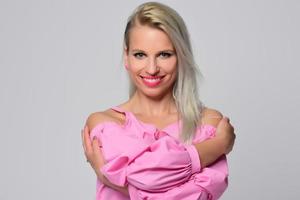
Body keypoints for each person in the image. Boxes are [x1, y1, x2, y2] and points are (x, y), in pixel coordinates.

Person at [81, 2, 235, 200]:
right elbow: (147, 175)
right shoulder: (105, 124)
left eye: (164, 54)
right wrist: (217, 146)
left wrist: (115, 181)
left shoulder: (207, 123)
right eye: (140, 55)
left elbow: (194, 195)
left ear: (181, 56)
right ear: (126, 56)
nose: (152, 68)